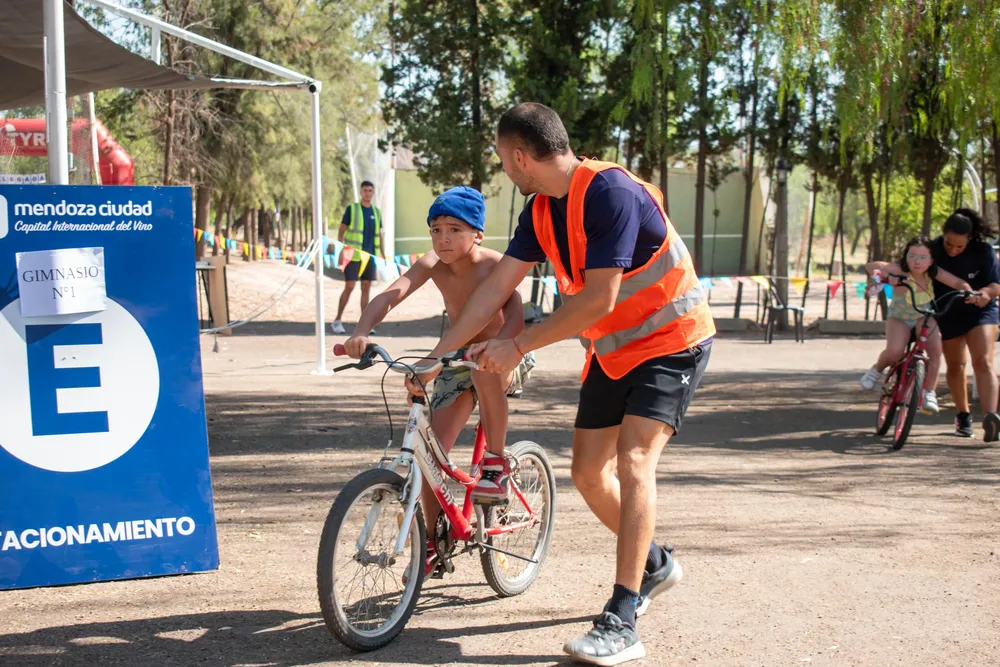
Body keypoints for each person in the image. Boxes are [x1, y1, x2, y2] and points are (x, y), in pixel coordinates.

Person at [417, 103, 715, 666]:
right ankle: (654, 563)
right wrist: (440, 354)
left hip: (672, 341)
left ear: (519, 156)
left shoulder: (611, 193)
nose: (506, 169)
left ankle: (623, 617)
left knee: (633, 463)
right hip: (614, 350)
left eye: (504, 159)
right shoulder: (539, 211)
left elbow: (599, 296)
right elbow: (495, 288)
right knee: (585, 472)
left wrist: (517, 345)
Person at [342, 186, 534, 577]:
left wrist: (507, 348)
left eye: (454, 229)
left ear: (477, 233)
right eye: (436, 230)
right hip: (453, 357)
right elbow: (390, 296)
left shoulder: (495, 264)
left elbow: (516, 312)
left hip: (500, 352)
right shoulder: (432, 264)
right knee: (430, 456)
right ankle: (434, 538)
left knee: (483, 369)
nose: (443, 239)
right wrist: (361, 330)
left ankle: (496, 462)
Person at [859, 236, 974, 415]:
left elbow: (958, 283)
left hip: (924, 317)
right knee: (895, 351)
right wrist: (888, 278)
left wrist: (968, 291)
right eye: (912, 256)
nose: (917, 261)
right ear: (906, 257)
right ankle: (876, 370)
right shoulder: (899, 269)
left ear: (931, 260)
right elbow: (870, 266)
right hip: (899, 317)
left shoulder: (933, 273)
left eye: (922, 257)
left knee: (935, 348)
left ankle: (929, 392)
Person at [928, 208, 1000, 441]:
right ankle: (963, 415)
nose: (954, 250)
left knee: (983, 362)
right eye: (950, 244)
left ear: (970, 239)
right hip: (948, 311)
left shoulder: (984, 250)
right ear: (944, 234)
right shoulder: (933, 249)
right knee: (956, 365)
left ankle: (991, 417)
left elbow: (996, 285)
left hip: (981, 311)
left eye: (960, 246)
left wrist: (985, 294)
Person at [331, 180, 386, 334]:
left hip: (370, 257)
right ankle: (337, 320)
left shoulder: (376, 212)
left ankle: (365, 324)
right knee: (349, 287)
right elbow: (341, 231)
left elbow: (379, 234)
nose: (367, 193)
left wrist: (382, 253)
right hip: (353, 256)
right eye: (365, 190)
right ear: (361, 192)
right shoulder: (352, 209)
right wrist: (341, 251)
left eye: (370, 190)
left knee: (366, 289)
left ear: (373, 193)